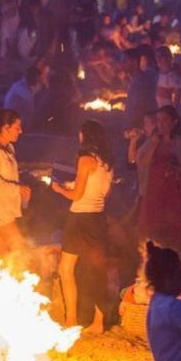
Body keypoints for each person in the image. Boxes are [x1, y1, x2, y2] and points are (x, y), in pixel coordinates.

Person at [51, 120, 113, 332]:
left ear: (85, 137)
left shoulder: (85, 159)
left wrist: (58, 189)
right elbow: (103, 193)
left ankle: (71, 320)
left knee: (65, 269)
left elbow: (77, 195)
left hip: (79, 219)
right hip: (97, 219)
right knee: (97, 271)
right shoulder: (107, 163)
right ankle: (98, 322)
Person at [137, 106, 181, 253]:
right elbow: (141, 162)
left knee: (174, 234)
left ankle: (175, 267)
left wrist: (176, 169)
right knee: (152, 233)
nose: (160, 124)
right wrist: (154, 143)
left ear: (174, 122)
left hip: (174, 195)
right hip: (154, 193)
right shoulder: (152, 140)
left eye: (164, 120)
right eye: (158, 120)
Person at [0, 109, 30, 256]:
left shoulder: (8, 149)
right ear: (5, 128)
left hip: (5, 207)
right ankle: (20, 277)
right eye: (17, 127)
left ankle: (0, 276)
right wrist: (18, 189)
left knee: (2, 251)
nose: (20, 131)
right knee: (18, 249)